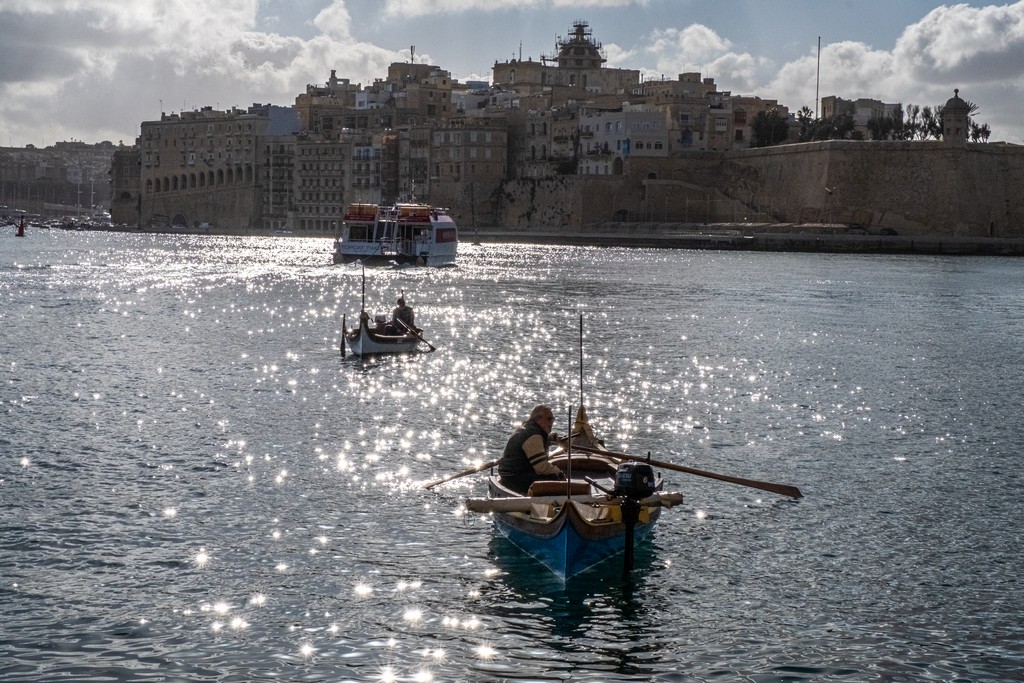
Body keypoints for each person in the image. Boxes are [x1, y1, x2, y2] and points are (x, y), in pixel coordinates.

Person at [498, 404, 564, 494]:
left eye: (553, 419)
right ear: (538, 419)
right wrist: (559, 473)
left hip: (507, 475)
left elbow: (541, 440)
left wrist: (553, 438)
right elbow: (542, 468)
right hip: (514, 479)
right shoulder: (534, 436)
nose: (551, 422)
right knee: (554, 478)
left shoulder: (526, 429)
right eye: (549, 419)